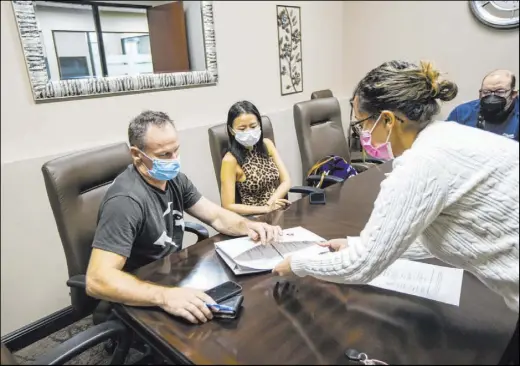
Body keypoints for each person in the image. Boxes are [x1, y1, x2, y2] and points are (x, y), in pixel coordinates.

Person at [273, 61, 519, 338]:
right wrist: (358, 243)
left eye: (362, 123)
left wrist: (297, 264)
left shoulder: (421, 164)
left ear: (388, 120)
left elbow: (361, 266)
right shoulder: (449, 135)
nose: (361, 133)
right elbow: (438, 232)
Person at [86, 110, 282, 325]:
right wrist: (164, 296)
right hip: (141, 293)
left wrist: (249, 226)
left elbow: (215, 216)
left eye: (175, 151)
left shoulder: (174, 179)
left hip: (170, 275)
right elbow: (97, 279)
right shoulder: (126, 201)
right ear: (136, 154)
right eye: (163, 155)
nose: (173, 160)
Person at [220, 101, 292, 216]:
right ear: (231, 130)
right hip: (254, 219)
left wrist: (270, 204)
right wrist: (265, 209)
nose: (249, 132)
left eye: (253, 126)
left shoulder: (267, 144)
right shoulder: (230, 160)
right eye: (242, 129)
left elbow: (286, 181)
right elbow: (228, 206)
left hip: (276, 212)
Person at [446, 69, 519, 141]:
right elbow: (445, 141)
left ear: (513, 94)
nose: (492, 97)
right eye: (486, 92)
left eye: (500, 92)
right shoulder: (461, 113)